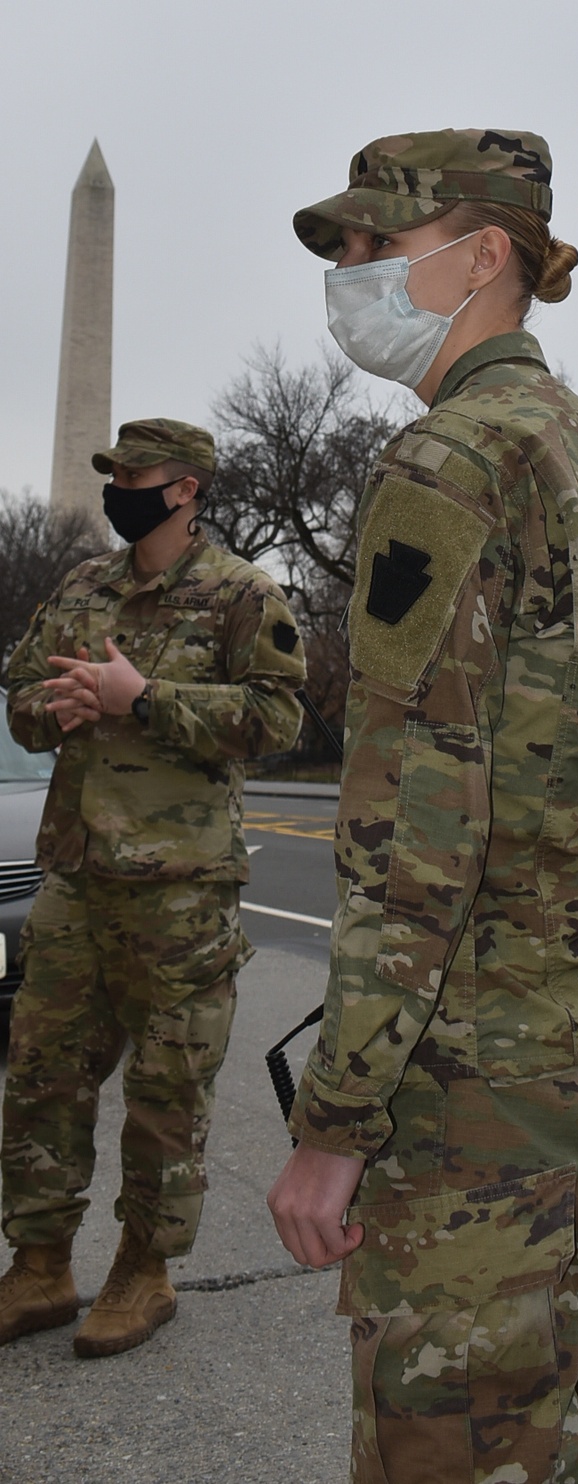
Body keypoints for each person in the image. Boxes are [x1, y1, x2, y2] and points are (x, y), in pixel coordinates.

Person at [267, 130, 578, 1484]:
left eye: (371, 247)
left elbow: (414, 827)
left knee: (459, 1450)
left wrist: (337, 1123)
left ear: (479, 257)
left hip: (489, 1096)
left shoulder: (451, 468)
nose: (347, 275)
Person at [1, 418, 305, 1358]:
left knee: (167, 1094)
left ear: (188, 490)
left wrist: (144, 699)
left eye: (138, 475)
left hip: (181, 891)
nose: (120, 486)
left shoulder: (243, 593)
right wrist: (59, 703)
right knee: (41, 1079)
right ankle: (40, 1265)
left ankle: (145, 1270)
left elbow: (278, 718)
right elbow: (17, 694)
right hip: (77, 879)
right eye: (115, 473)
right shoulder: (84, 584)